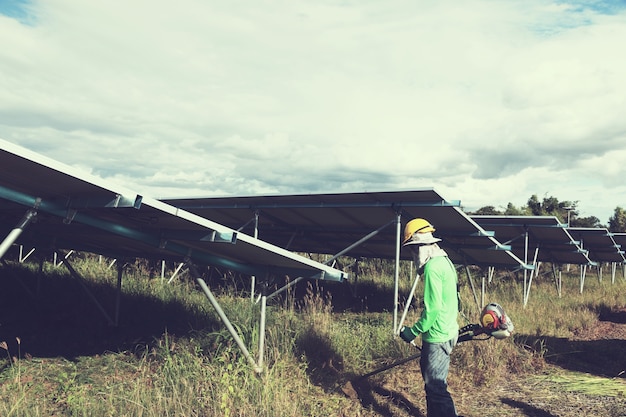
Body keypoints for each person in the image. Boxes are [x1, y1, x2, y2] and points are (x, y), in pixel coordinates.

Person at [399, 218, 463, 417]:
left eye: (413, 249)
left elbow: (433, 309)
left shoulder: (433, 268)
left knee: (436, 388)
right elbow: (457, 300)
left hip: (437, 336)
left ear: (420, 246)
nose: (412, 254)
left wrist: (412, 332)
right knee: (434, 386)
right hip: (448, 330)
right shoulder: (446, 261)